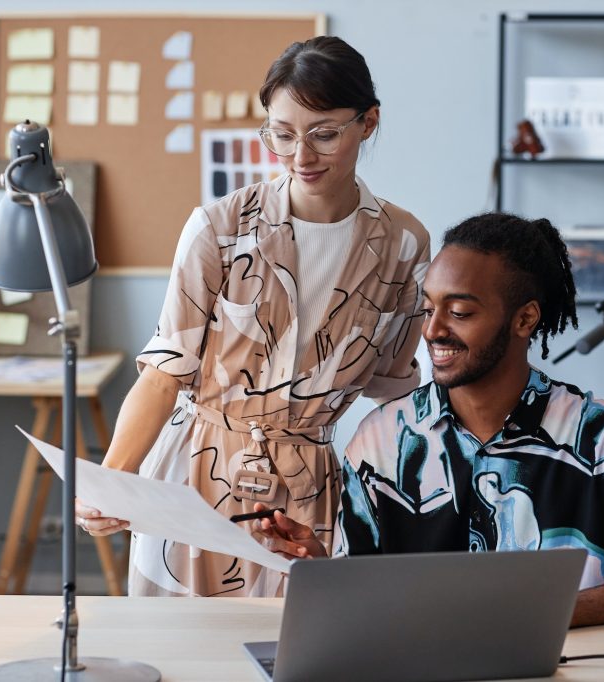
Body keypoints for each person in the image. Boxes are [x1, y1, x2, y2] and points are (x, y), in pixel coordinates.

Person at [76, 36, 430, 597]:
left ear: (368, 123)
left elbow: (393, 390)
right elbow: (165, 371)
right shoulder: (219, 228)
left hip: (305, 490)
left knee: (290, 652)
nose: (301, 156)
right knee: (178, 656)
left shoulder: (404, 245)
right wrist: (113, 481)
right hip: (194, 473)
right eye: (282, 134)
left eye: (324, 134)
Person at [254, 212, 604, 627]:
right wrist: (322, 571)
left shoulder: (603, 438)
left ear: (525, 318)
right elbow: (363, 601)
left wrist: (541, 615)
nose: (432, 330)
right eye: (429, 309)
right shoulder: (380, 444)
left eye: (460, 312)